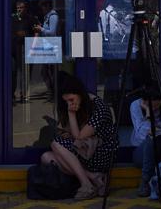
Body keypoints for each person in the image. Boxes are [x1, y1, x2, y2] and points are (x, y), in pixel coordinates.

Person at [38, 72, 118, 200]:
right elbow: (67, 131)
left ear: (80, 94)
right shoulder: (78, 105)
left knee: (56, 144)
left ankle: (86, 185)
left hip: (101, 152)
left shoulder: (99, 108)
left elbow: (79, 137)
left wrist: (71, 114)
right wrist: (64, 131)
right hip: (84, 151)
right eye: (66, 101)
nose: (70, 103)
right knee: (46, 157)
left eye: (71, 100)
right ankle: (94, 177)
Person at [129, 86, 161, 199]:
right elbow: (142, 134)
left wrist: (155, 132)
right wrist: (148, 114)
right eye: (149, 106)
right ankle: (146, 181)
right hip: (141, 152)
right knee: (150, 141)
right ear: (143, 102)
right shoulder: (135, 106)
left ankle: (150, 182)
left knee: (156, 140)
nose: (154, 109)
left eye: (156, 106)